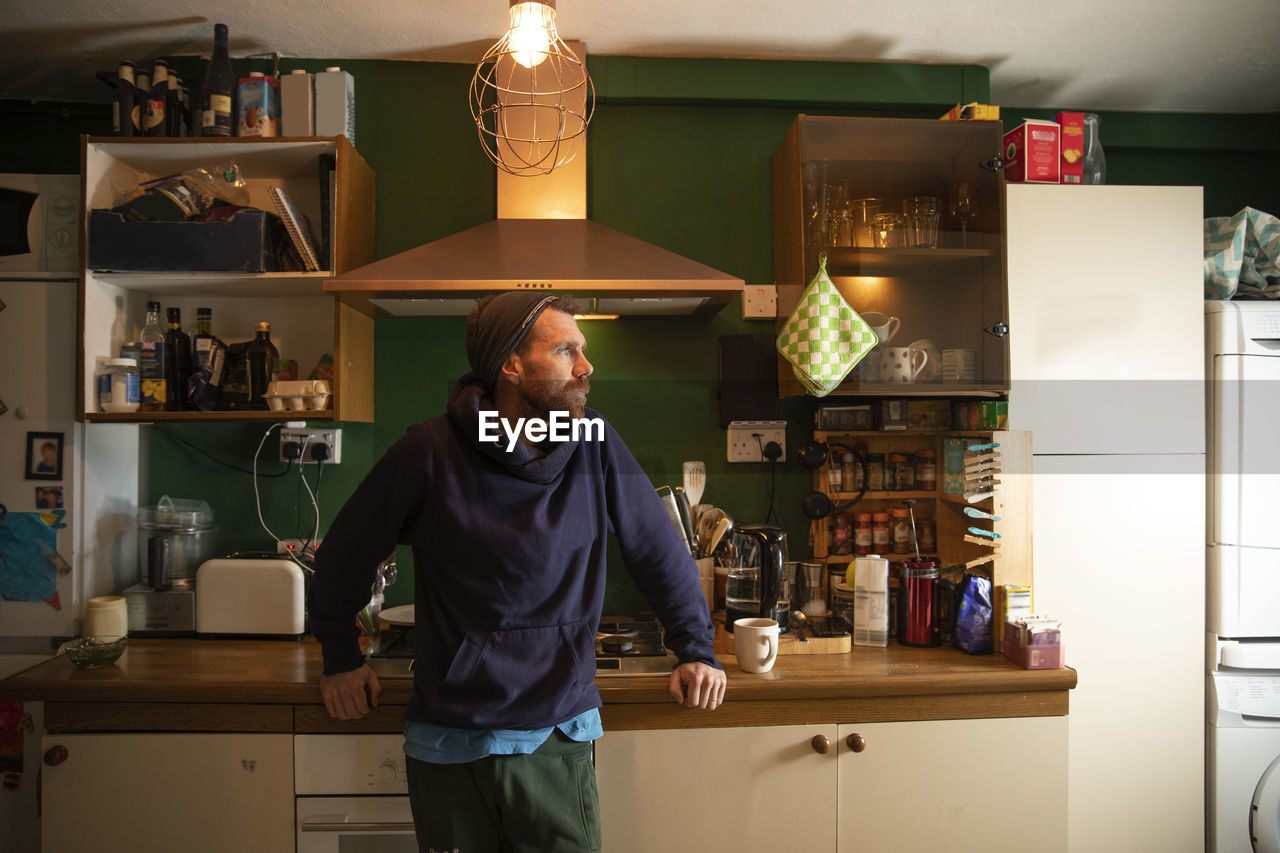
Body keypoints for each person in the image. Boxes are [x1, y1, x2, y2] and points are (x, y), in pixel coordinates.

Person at [310, 291, 726, 852]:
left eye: (582, 350)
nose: (586, 366)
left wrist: (695, 647)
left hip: (556, 731)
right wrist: (340, 657)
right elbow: (345, 555)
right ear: (510, 363)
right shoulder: (430, 450)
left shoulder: (589, 440)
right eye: (565, 351)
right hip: (451, 737)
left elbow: (655, 549)